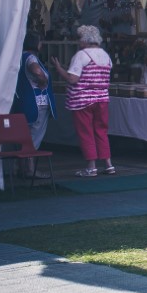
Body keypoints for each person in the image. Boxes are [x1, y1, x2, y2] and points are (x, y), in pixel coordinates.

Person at [51, 25, 115, 177]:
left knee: (86, 132)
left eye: (79, 38)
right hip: (102, 99)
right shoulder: (106, 56)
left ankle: (91, 167)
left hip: (83, 100)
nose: (78, 42)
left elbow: (73, 79)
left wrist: (59, 69)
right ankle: (108, 164)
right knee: (101, 131)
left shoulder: (81, 55)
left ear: (85, 40)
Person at [13, 33, 55, 178]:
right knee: (33, 137)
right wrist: (42, 79)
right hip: (38, 103)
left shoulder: (18, 57)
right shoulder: (30, 58)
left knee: (23, 135)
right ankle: (30, 169)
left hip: (23, 101)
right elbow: (36, 70)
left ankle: (20, 167)